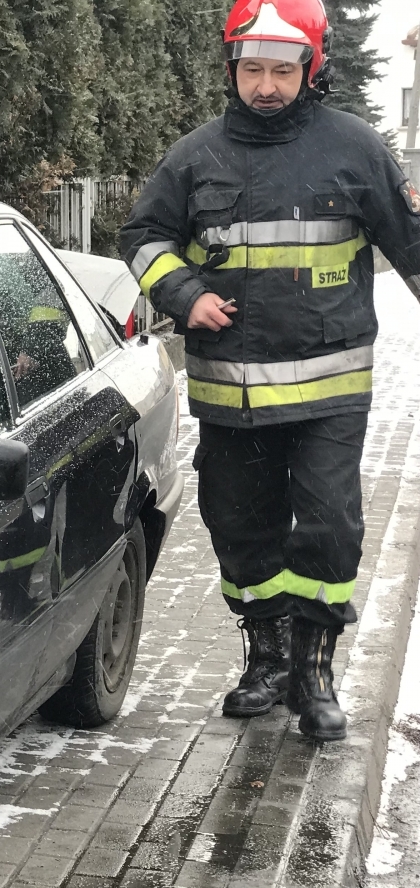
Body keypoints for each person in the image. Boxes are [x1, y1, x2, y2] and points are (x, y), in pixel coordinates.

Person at [120, 0, 420, 740]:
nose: (264, 85)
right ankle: (266, 656)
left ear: (310, 69)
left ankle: (315, 671)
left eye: (281, 71)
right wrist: (183, 293)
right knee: (241, 527)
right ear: (232, 68)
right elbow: (144, 235)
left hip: (330, 394)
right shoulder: (195, 156)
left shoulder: (358, 149)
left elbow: (412, 246)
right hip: (231, 394)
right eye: (251, 69)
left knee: (327, 527)